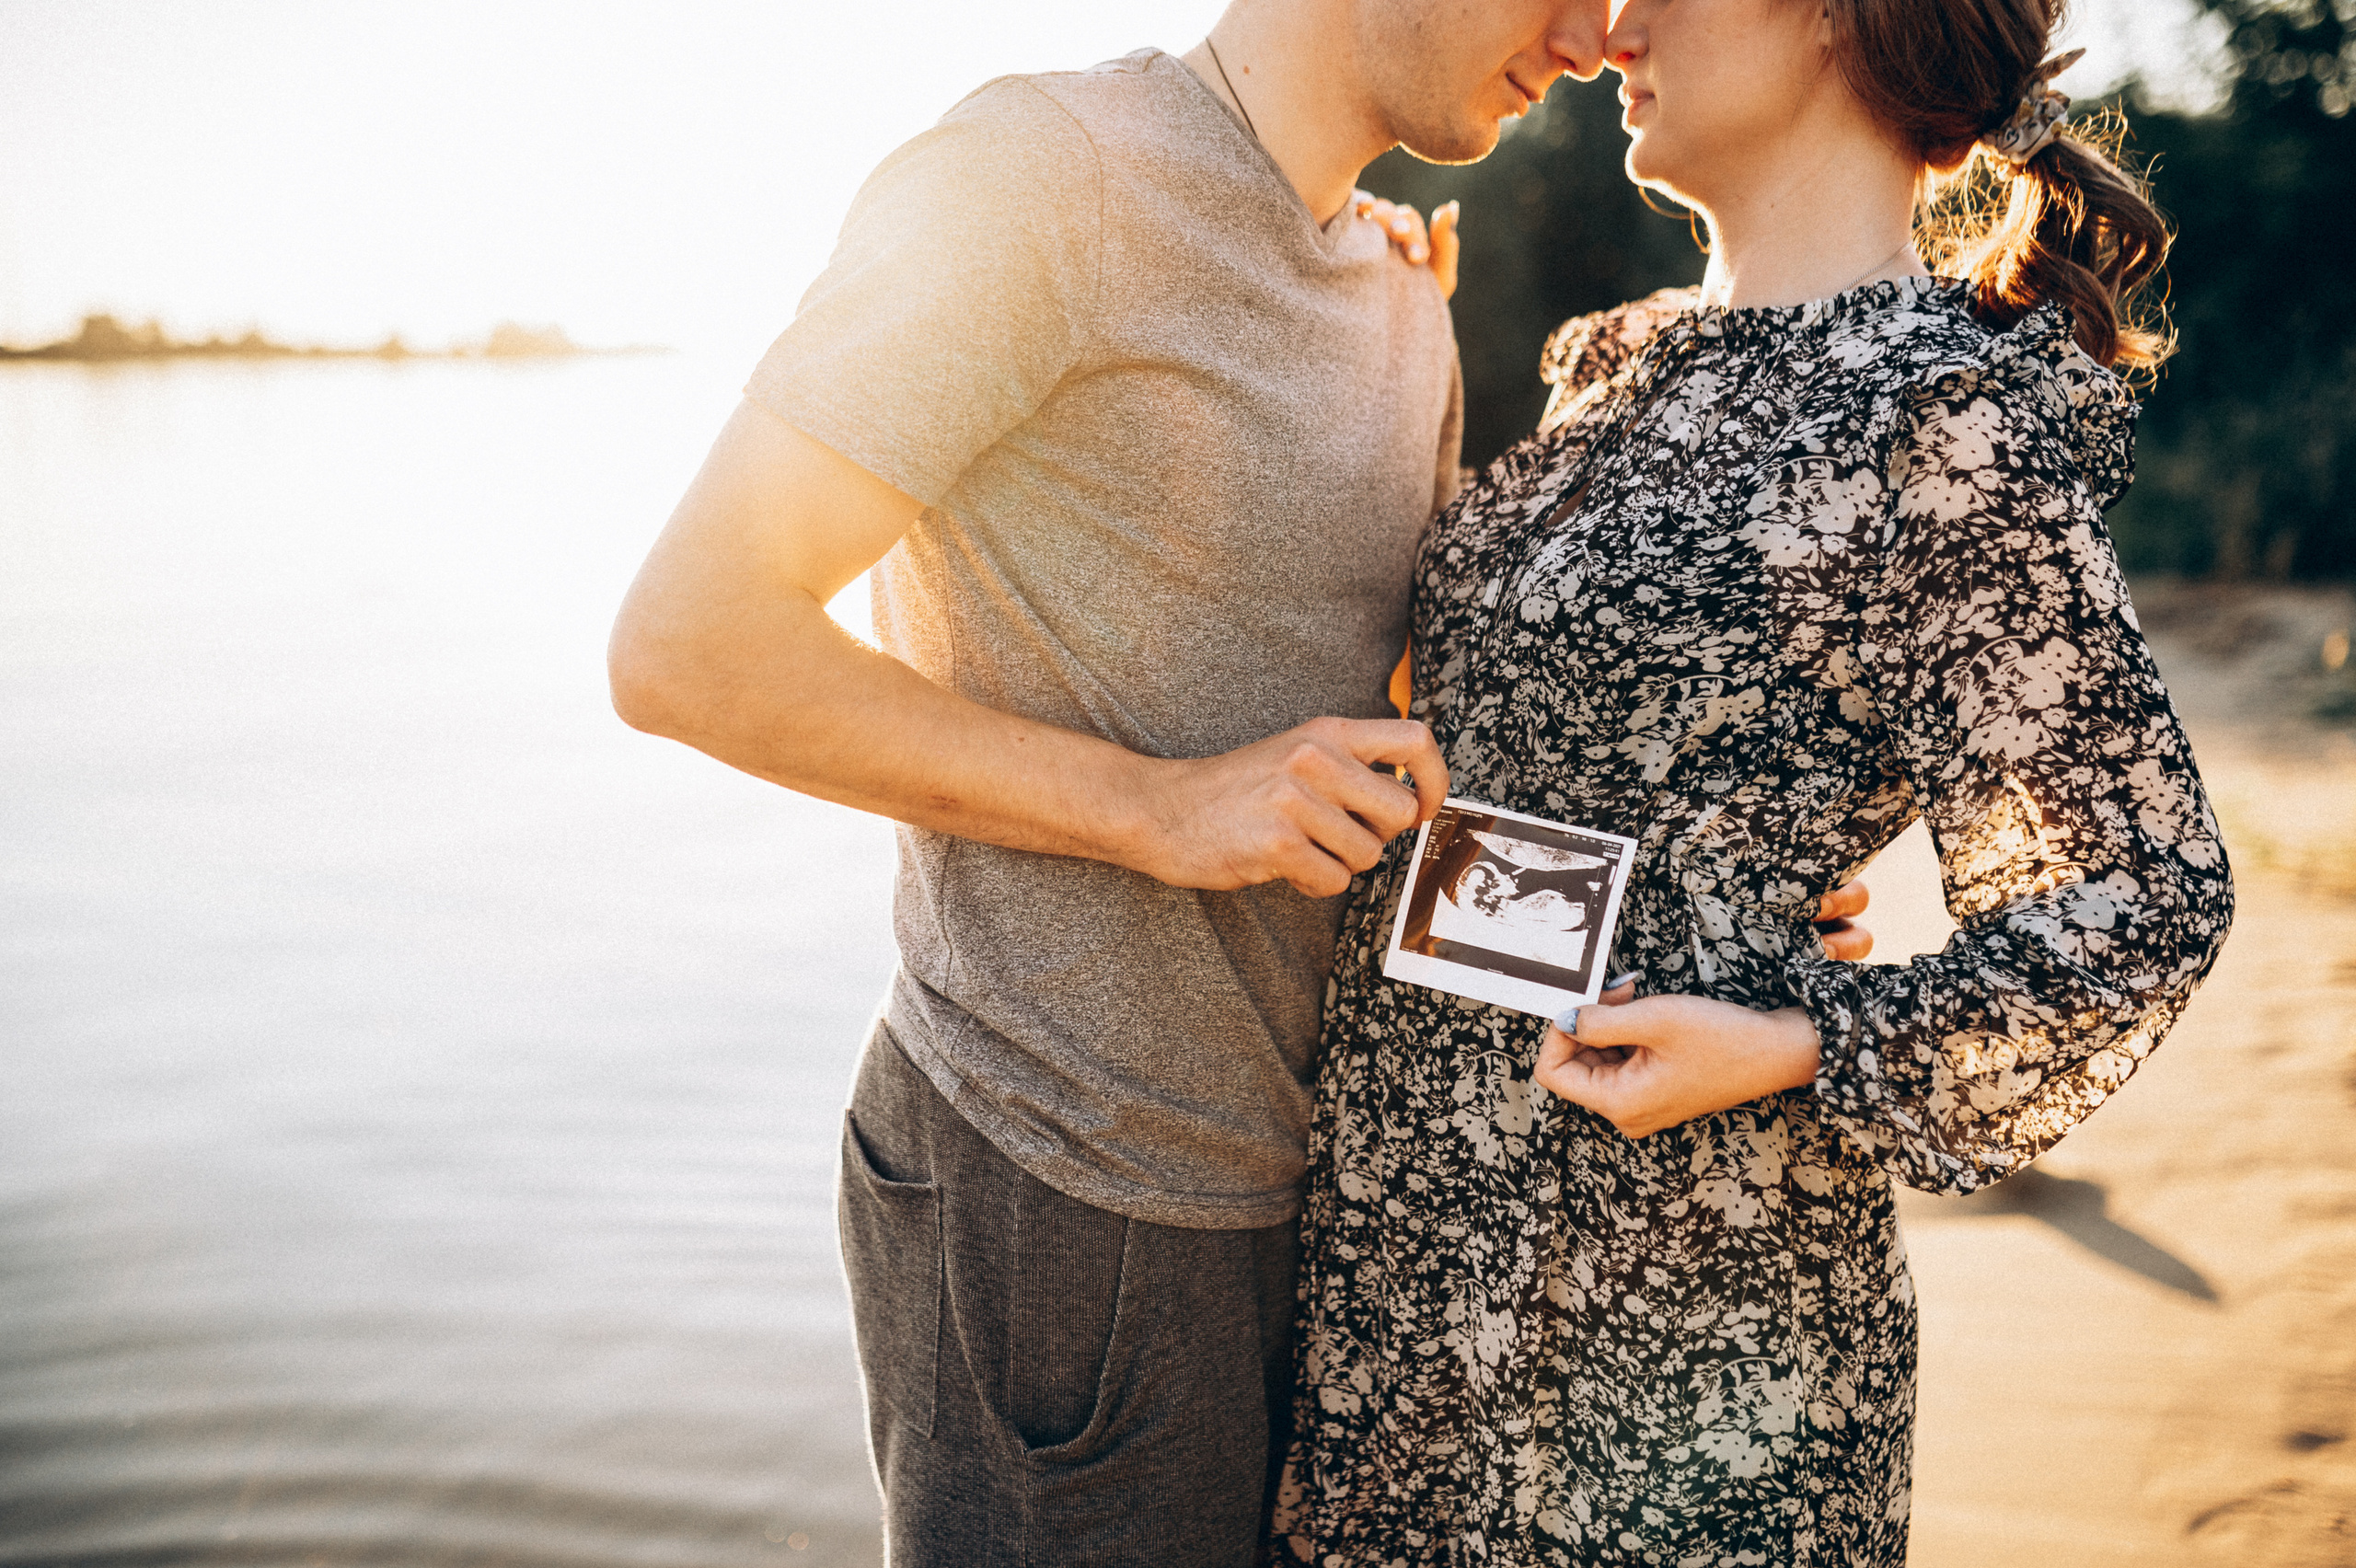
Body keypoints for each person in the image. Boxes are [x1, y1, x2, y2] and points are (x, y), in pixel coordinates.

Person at [1276, 0, 2236, 1563]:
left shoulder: (1943, 415)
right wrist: (1359, 318)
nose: (1621, 19)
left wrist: (1797, 1038)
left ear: (1838, 21)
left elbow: (2144, 900)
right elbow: (1520, 716)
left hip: (1680, 1303)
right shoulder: (1615, 359)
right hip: (1410, 1236)